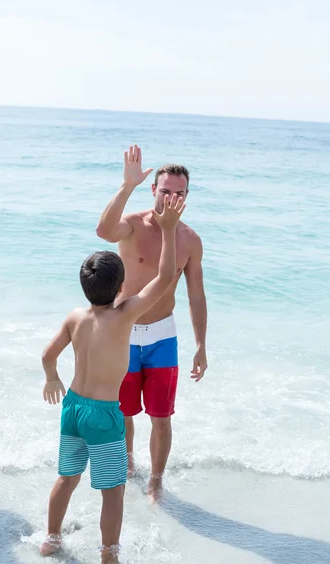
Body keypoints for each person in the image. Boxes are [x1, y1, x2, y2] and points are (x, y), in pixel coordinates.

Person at [40, 194, 185, 563]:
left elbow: (47, 355)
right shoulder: (125, 315)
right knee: (113, 489)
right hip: (105, 415)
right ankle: (109, 554)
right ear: (121, 286)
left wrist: (52, 378)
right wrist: (168, 231)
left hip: (73, 406)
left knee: (67, 478)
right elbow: (166, 277)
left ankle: (51, 539)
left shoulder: (75, 317)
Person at [96, 145, 208, 500]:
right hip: (123, 335)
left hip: (163, 338)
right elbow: (103, 231)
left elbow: (196, 296)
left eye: (179, 193)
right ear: (153, 190)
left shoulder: (189, 239)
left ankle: (156, 480)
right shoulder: (132, 226)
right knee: (123, 411)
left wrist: (202, 346)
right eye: (165, 191)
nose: (172, 198)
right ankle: (128, 464)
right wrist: (126, 186)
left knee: (162, 417)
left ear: (187, 196)